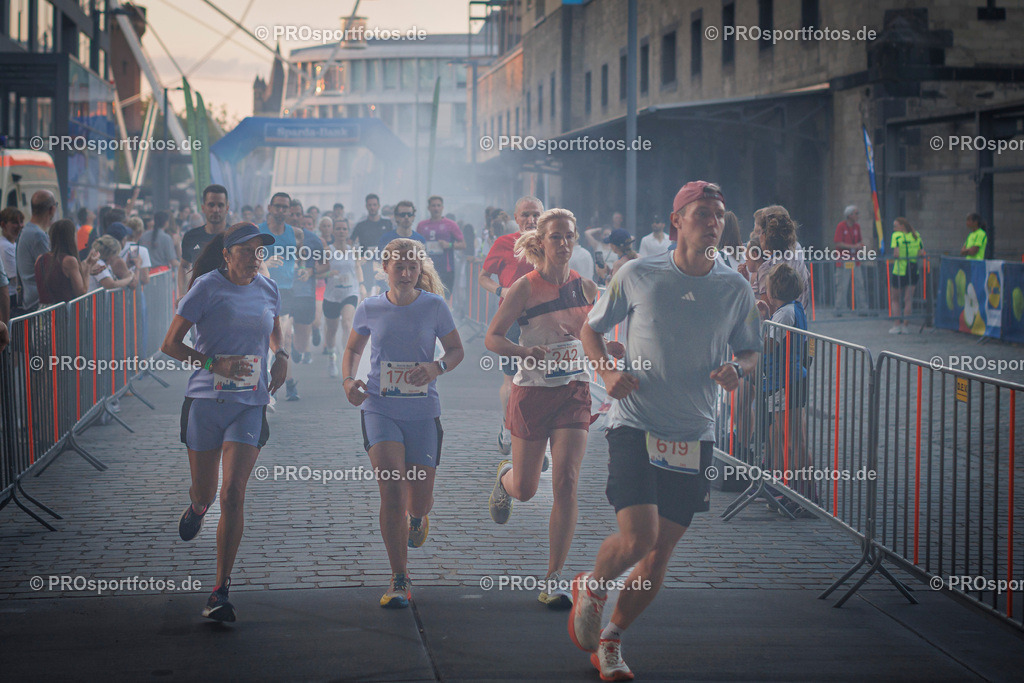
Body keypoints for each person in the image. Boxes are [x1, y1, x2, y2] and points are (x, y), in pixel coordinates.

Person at [570, 181, 761, 681]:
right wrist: (606, 371)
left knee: (658, 555)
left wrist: (737, 369)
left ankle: (612, 640)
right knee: (640, 538)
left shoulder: (735, 287)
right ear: (676, 220)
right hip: (636, 422)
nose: (713, 222)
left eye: (719, 214)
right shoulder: (637, 273)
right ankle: (592, 585)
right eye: (702, 213)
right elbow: (591, 329)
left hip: (694, 433)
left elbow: (750, 350)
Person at [485, 208, 612, 609]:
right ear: (541, 242)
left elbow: (589, 337)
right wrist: (524, 351)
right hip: (533, 392)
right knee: (525, 490)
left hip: (574, 391)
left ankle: (554, 577)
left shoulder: (587, 288)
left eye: (569, 236)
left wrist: (609, 349)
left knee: (566, 482)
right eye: (556, 236)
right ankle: (505, 478)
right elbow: (492, 338)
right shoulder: (523, 288)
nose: (563, 243)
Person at [161, 223, 286, 623]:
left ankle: (220, 590)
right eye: (246, 251)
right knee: (208, 492)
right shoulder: (206, 287)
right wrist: (214, 363)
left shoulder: (268, 288)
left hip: (249, 403)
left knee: (233, 493)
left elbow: (274, 327)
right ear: (227, 254)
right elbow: (170, 345)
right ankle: (198, 507)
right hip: (205, 402)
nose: (254, 258)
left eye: (259, 251)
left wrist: (282, 356)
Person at [341, 238, 464, 608]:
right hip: (379, 407)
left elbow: (457, 350)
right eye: (400, 266)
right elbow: (353, 349)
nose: (407, 273)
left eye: (413, 266)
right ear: (385, 268)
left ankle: (418, 517)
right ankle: (399, 577)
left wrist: (436, 367)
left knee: (419, 500)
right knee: (392, 489)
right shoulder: (370, 307)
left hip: (422, 411)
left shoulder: (434, 306)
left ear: (420, 268)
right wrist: (348, 381)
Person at [480, 196, 544, 455]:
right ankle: (508, 428)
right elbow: (483, 277)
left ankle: (535, 439)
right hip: (511, 319)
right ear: (515, 218)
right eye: (525, 214)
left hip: (544, 319)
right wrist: (502, 291)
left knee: (540, 381)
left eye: (536, 214)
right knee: (511, 379)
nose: (531, 219)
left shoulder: (549, 242)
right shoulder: (504, 243)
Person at [758, 263, 811, 517]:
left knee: (793, 441)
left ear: (772, 290)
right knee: (791, 438)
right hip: (790, 379)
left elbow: (767, 346)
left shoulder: (784, 315)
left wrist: (760, 322)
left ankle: (803, 496)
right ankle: (798, 493)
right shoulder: (794, 309)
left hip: (783, 381)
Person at [259, 192, 302, 401]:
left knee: (284, 336)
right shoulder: (257, 231)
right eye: (277, 206)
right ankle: (268, 382)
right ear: (270, 207)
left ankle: (285, 382)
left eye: (285, 207)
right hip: (262, 288)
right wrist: (265, 264)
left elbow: (300, 258)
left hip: (285, 290)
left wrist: (303, 270)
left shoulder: (296, 234)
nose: (281, 210)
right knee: (265, 337)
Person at [319, 217, 363, 377]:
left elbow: (357, 268)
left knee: (347, 323)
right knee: (331, 330)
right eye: (338, 229)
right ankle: (332, 358)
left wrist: (362, 285)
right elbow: (317, 272)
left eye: (344, 229)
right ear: (333, 231)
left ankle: (347, 360)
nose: (341, 232)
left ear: (348, 231)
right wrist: (328, 273)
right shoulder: (328, 250)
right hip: (332, 295)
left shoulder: (353, 251)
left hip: (350, 293)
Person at [179, 185, 230, 295]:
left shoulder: (236, 235)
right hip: (200, 298)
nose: (216, 210)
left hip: (229, 299)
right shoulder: (191, 237)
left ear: (227, 208)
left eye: (220, 205)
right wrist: (182, 294)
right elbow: (183, 266)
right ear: (203, 208)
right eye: (211, 205)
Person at [15, 190, 57, 313]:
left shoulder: (28, 230)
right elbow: (50, 269)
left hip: (31, 299)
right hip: (38, 304)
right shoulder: (38, 235)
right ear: (52, 209)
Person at [416, 195, 465, 298]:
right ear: (429, 208)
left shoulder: (451, 224)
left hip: (446, 269)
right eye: (433, 206)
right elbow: (416, 245)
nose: (436, 208)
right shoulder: (422, 225)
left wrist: (449, 245)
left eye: (438, 206)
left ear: (442, 208)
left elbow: (463, 244)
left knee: (444, 299)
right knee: (427, 299)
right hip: (426, 269)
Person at [35, 219, 88, 304]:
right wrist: (88, 268)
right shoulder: (69, 261)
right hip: (64, 310)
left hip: (45, 310)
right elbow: (81, 293)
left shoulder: (40, 259)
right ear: (71, 237)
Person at [889, 217, 924, 334]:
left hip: (899, 270)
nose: (894, 228)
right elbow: (921, 252)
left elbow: (896, 254)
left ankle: (896, 325)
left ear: (902, 226)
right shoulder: (916, 235)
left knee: (895, 299)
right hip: (913, 269)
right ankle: (905, 326)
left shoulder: (896, 236)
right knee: (908, 299)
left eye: (895, 226)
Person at [352, 194, 393, 294]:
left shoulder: (387, 223)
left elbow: (393, 241)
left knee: (385, 290)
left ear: (378, 206)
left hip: (383, 262)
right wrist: (357, 257)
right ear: (366, 206)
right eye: (370, 205)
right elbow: (351, 242)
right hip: (366, 264)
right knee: (368, 290)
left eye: (374, 205)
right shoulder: (360, 225)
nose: (372, 207)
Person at [833, 205, 867, 316]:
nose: (858, 216)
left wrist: (860, 246)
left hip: (855, 260)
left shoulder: (857, 227)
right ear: (849, 215)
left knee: (860, 285)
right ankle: (839, 309)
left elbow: (860, 241)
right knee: (842, 286)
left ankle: (862, 308)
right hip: (843, 261)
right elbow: (838, 243)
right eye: (856, 213)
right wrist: (853, 246)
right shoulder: (841, 226)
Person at [1, 207, 24, 314]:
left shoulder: (12, 244)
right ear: (3, 225)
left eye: (21, 222)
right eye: (15, 222)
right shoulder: (5, 247)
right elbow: (16, 276)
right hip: (10, 297)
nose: (19, 226)